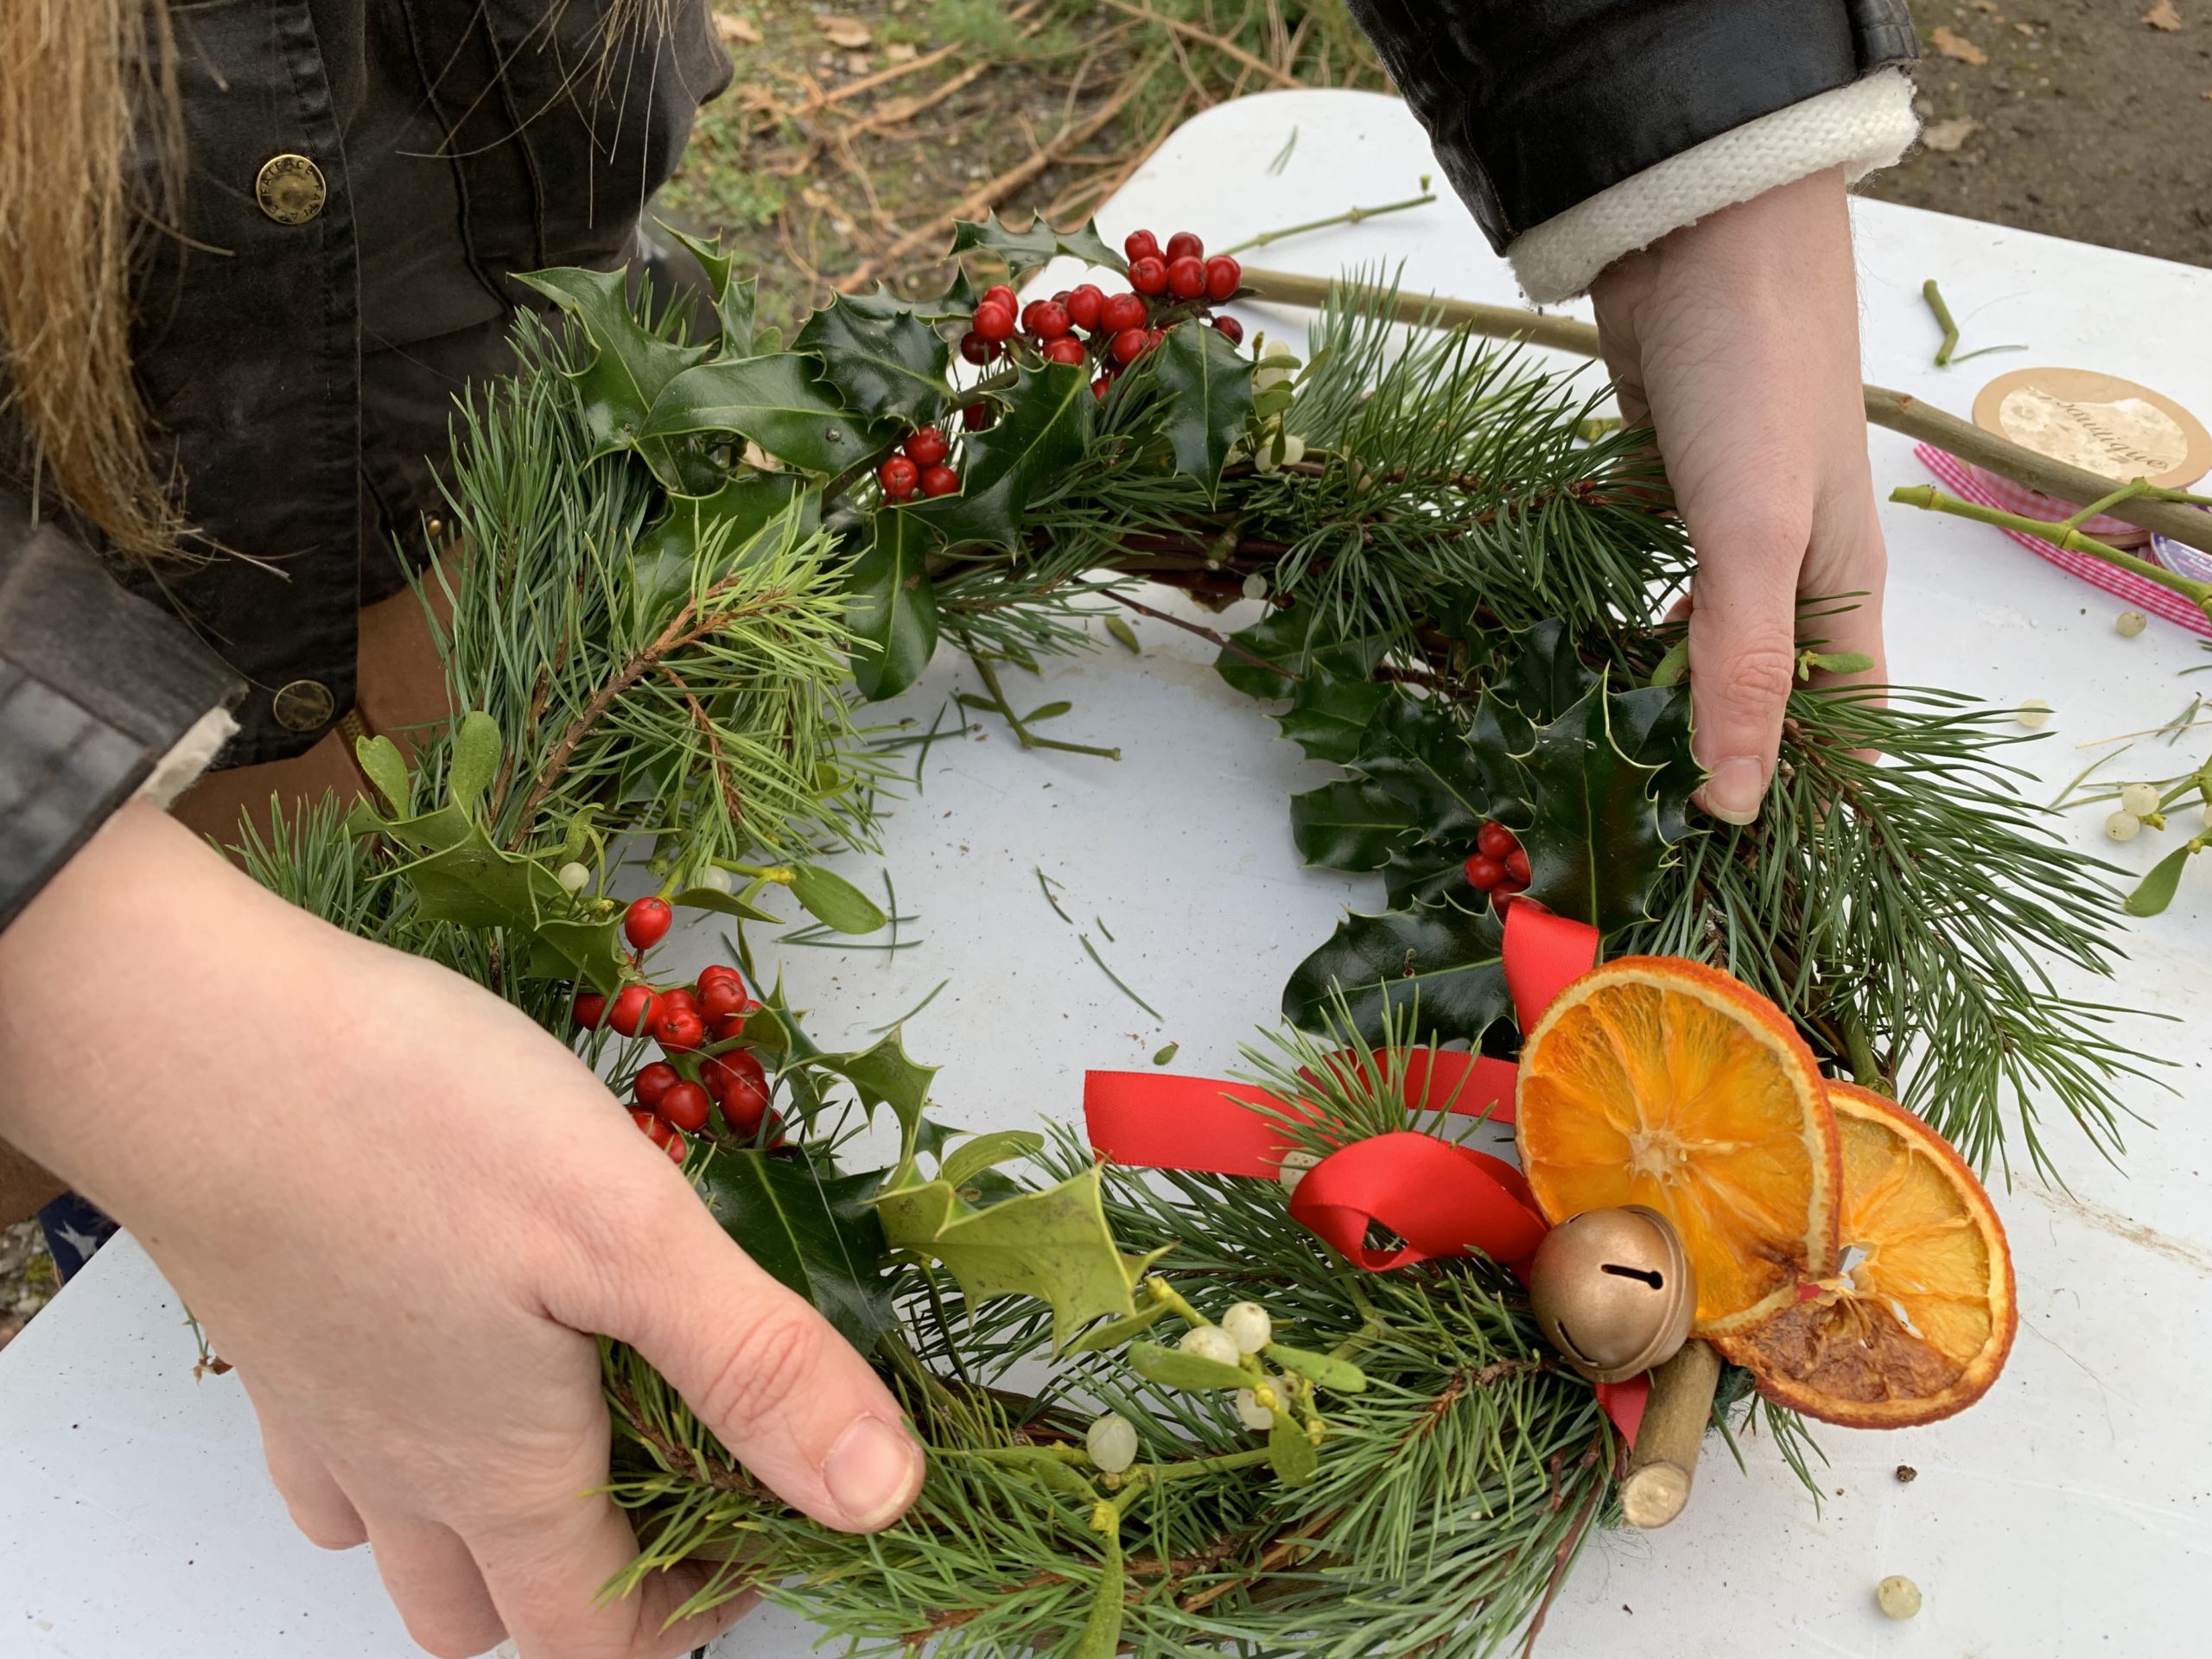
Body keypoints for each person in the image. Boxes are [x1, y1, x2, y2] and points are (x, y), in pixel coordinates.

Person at [0, 3, 1917, 1655]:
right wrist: (103, 1002)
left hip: (557, 541)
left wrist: (1691, 132)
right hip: (97, 849)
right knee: (186, 1345)